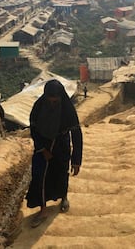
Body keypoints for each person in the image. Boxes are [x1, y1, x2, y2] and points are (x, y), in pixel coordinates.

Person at [26, 79, 83, 228]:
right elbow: (33, 129)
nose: (52, 104)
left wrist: (76, 160)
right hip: (42, 146)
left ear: (60, 97)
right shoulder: (39, 106)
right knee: (40, 177)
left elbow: (76, 134)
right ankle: (43, 210)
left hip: (61, 145)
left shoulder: (67, 109)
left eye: (55, 101)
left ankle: (63, 197)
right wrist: (42, 149)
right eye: (49, 100)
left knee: (61, 173)